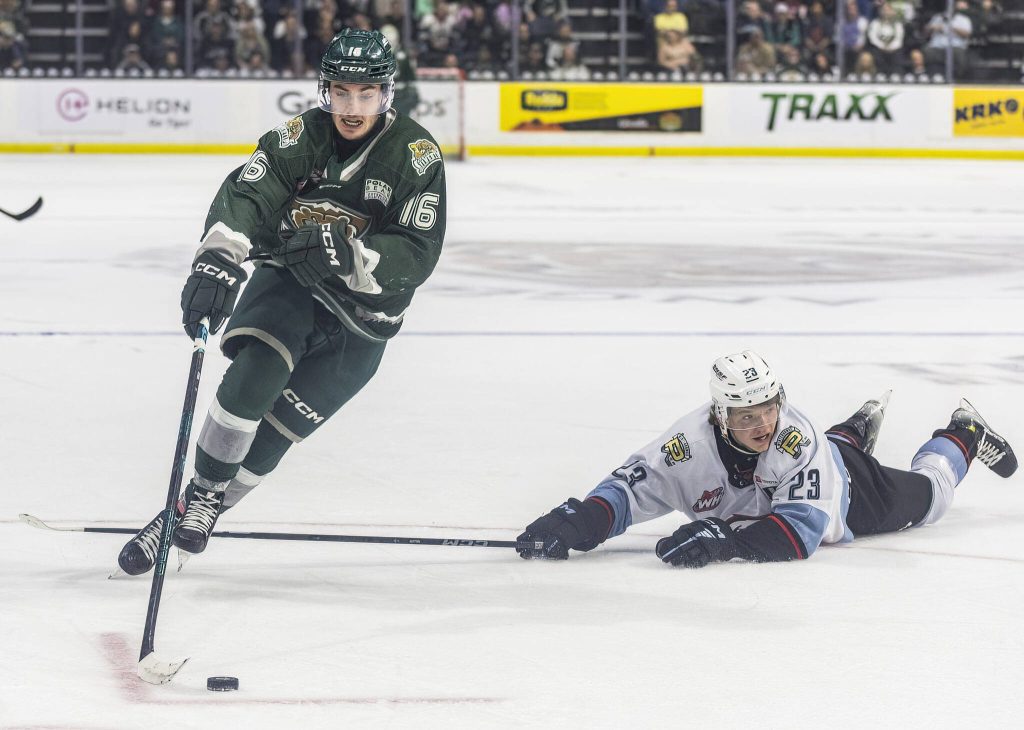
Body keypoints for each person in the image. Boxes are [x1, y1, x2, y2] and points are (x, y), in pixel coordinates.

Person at [117, 28, 447, 575]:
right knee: (257, 372)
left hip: (365, 322)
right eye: (341, 92)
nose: (352, 106)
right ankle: (201, 495)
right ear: (324, 90)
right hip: (293, 281)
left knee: (273, 438)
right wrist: (218, 256)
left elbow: (417, 247)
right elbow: (251, 192)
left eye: (366, 93)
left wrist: (353, 258)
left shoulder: (414, 155)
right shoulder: (299, 137)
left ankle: (191, 508)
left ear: (387, 94)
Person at [517, 351, 1017, 568]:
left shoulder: (793, 438)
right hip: (824, 460)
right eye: (746, 416)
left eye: (769, 410)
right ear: (719, 414)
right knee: (832, 448)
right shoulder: (686, 444)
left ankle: (963, 433)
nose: (762, 426)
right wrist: (581, 520)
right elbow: (631, 489)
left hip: (850, 495)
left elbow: (799, 534)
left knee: (931, 496)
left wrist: (724, 541)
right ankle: (854, 430)